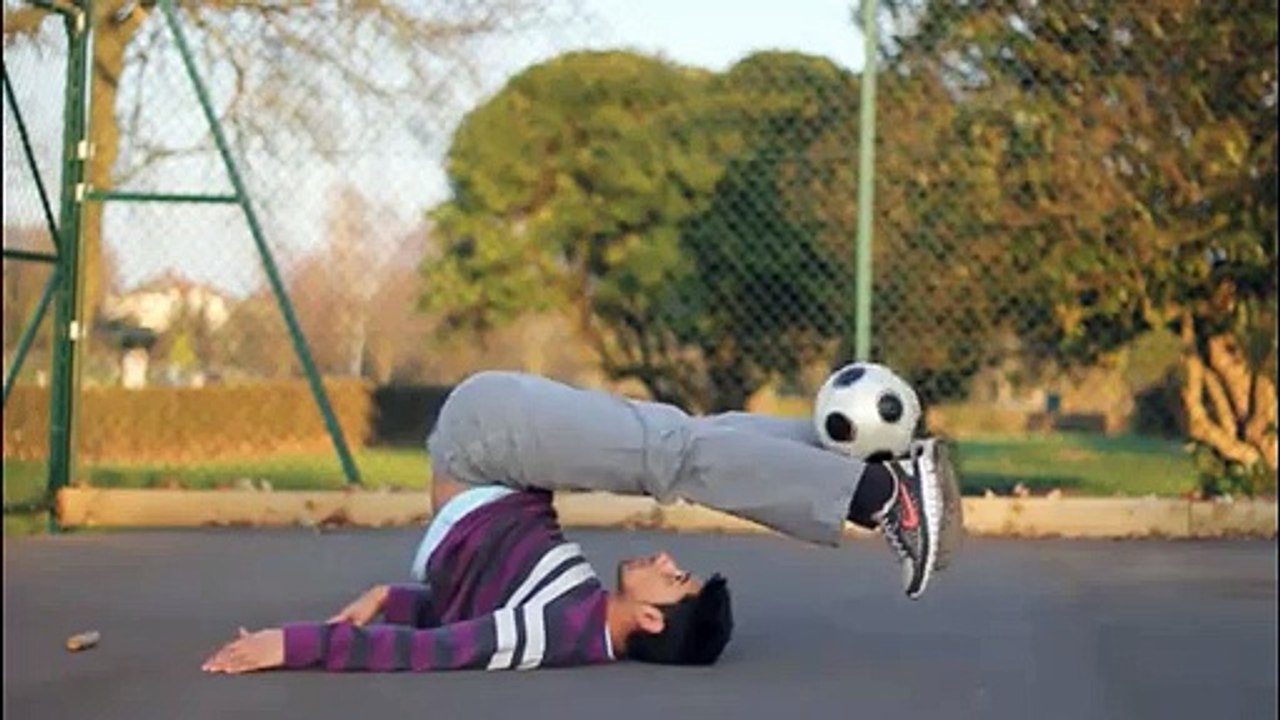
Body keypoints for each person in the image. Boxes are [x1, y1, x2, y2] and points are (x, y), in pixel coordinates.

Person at [202, 370, 963, 675]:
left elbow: (443, 641)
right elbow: (478, 608)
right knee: (679, 445)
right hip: (492, 450)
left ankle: (883, 489)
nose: (664, 561)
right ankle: (879, 472)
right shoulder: (566, 617)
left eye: (674, 580)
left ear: (652, 621)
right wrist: (393, 598)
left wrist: (296, 642)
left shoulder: (557, 631)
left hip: (487, 442)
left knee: (678, 448)